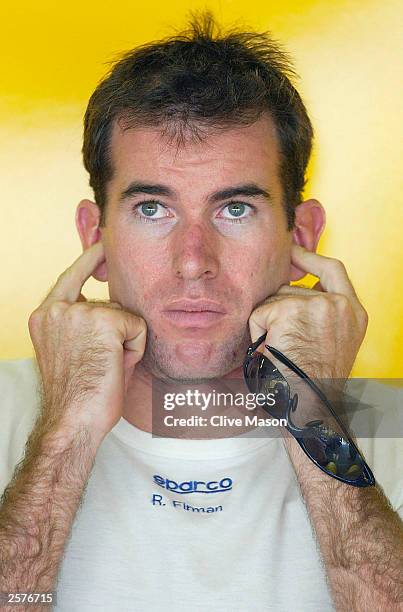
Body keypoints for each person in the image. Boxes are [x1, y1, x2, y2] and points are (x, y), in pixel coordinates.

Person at [0, 11, 402, 612]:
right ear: (95, 240)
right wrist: (65, 433)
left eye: (235, 209)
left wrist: (313, 412)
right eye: (152, 210)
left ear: (304, 238)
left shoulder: (390, 425)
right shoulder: (8, 408)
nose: (193, 262)